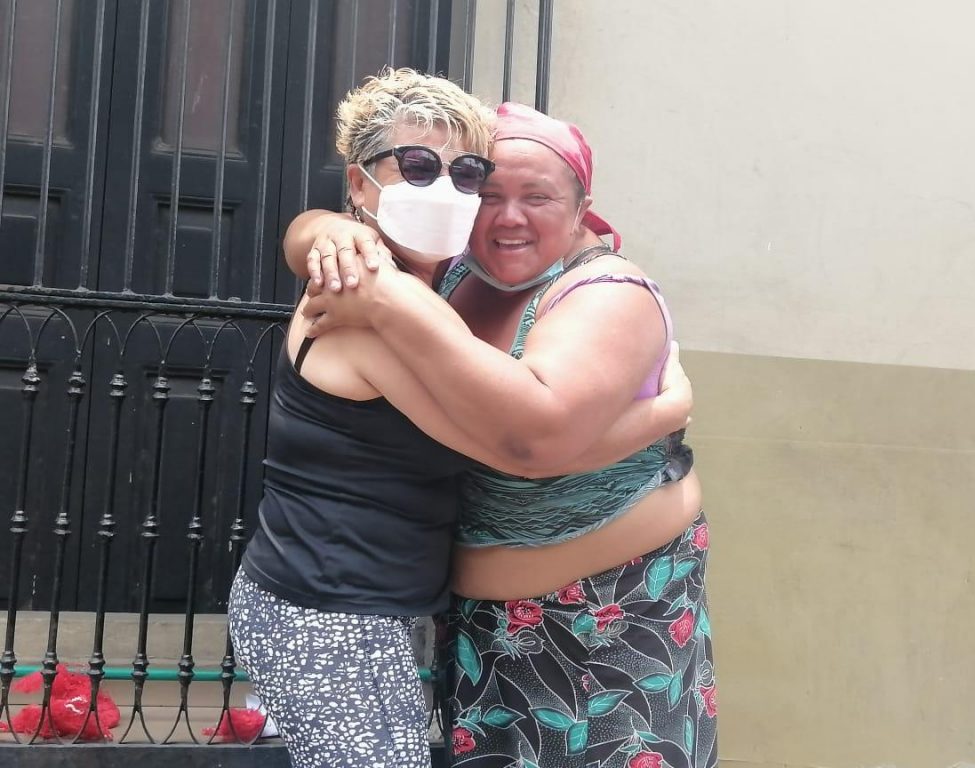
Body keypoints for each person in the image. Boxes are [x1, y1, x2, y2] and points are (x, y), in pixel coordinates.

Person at [228, 70, 691, 768]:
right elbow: (515, 449)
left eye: (465, 173)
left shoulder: (415, 283)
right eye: (416, 166)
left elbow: (309, 236)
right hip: (326, 615)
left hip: (362, 610)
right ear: (360, 184)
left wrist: (320, 229)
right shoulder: (373, 297)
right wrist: (666, 410)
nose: (443, 188)